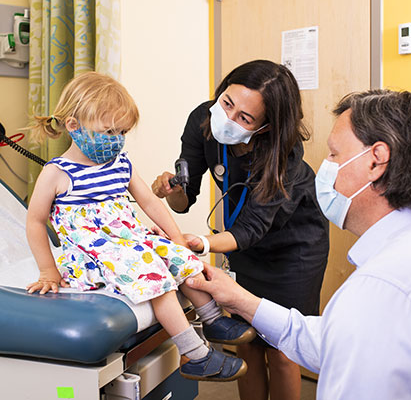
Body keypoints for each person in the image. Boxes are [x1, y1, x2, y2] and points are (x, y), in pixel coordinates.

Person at [185, 88, 411, 399]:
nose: (325, 167)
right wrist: (241, 300)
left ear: (376, 161)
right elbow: (338, 341)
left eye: (334, 155)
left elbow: (362, 334)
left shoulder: (386, 288)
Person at [24, 72, 258, 382]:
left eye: (121, 131)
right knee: (155, 276)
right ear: (73, 126)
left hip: (127, 239)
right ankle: (195, 354)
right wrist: (47, 271)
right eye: (108, 131)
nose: (115, 139)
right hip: (94, 251)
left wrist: (176, 239)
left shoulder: (120, 163)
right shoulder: (57, 173)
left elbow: (150, 203)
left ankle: (213, 319)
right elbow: (35, 221)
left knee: (181, 259)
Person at [152, 60, 329, 400]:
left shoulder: (283, 153)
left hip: (294, 250)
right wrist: (173, 191)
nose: (228, 119)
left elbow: (251, 227)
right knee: (246, 341)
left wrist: (201, 243)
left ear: (266, 126)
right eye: (227, 103)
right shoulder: (203, 120)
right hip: (244, 246)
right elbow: (183, 199)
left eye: (244, 118)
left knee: (281, 348)